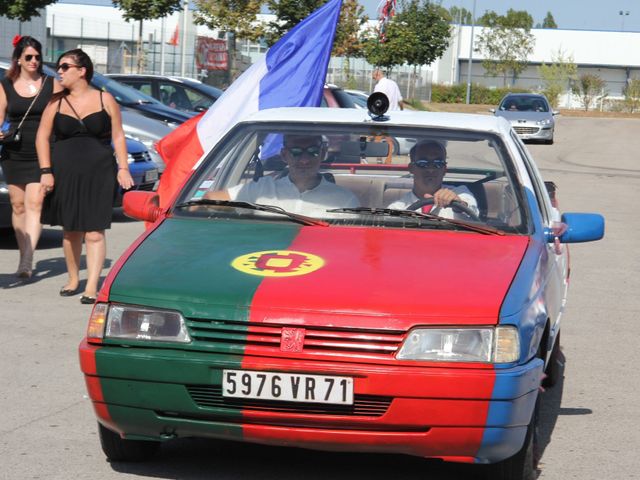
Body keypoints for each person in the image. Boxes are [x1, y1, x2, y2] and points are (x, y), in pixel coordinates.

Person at [36, 49, 133, 304]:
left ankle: (92, 284)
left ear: (82, 70)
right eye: (59, 67)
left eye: (65, 66)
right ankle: (72, 278)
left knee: (94, 231)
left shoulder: (105, 99)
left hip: (99, 172)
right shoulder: (55, 102)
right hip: (64, 172)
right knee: (70, 231)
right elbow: (42, 137)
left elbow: (118, 136)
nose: (60, 71)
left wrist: (123, 167)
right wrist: (45, 171)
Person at [0, 35, 63, 279]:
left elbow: (64, 113)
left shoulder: (51, 84)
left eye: (37, 56)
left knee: (34, 204)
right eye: (29, 57)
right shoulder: (6, 85)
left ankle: (27, 260)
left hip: (43, 150)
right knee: (17, 206)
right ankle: (24, 253)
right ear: (19, 59)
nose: (34, 61)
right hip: (14, 150)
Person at [205, 134, 359, 217]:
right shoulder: (261, 190)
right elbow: (210, 200)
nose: (304, 160)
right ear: (284, 155)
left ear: (323, 154)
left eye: (313, 151)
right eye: (296, 152)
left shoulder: (345, 200)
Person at [387, 139, 478, 219]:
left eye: (438, 163)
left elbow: (473, 213)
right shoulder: (398, 208)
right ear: (411, 168)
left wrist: (458, 206)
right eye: (423, 163)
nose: (431, 169)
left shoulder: (461, 193)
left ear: (444, 169)